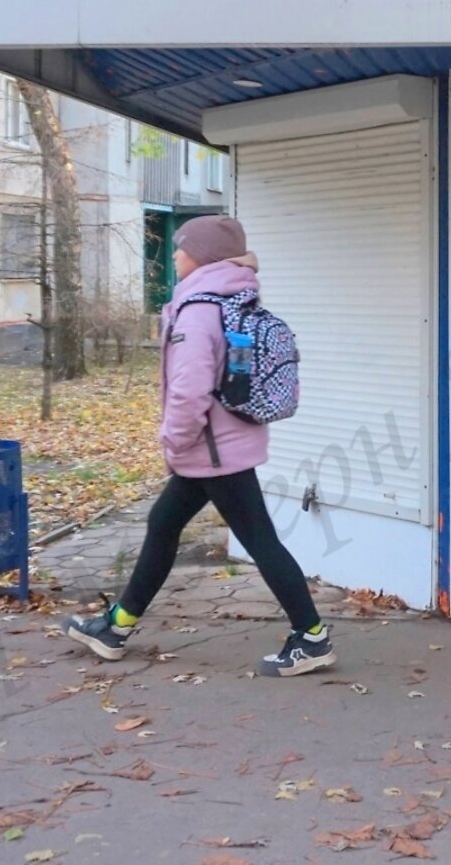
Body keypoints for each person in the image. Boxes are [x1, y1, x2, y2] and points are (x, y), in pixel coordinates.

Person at [66, 215, 335, 677]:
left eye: (181, 247)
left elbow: (189, 390)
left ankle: (312, 638)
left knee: (258, 540)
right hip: (219, 447)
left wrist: (173, 440)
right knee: (164, 523)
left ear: (203, 255)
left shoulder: (198, 310)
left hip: (210, 452)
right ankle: (117, 626)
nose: (174, 255)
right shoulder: (233, 299)